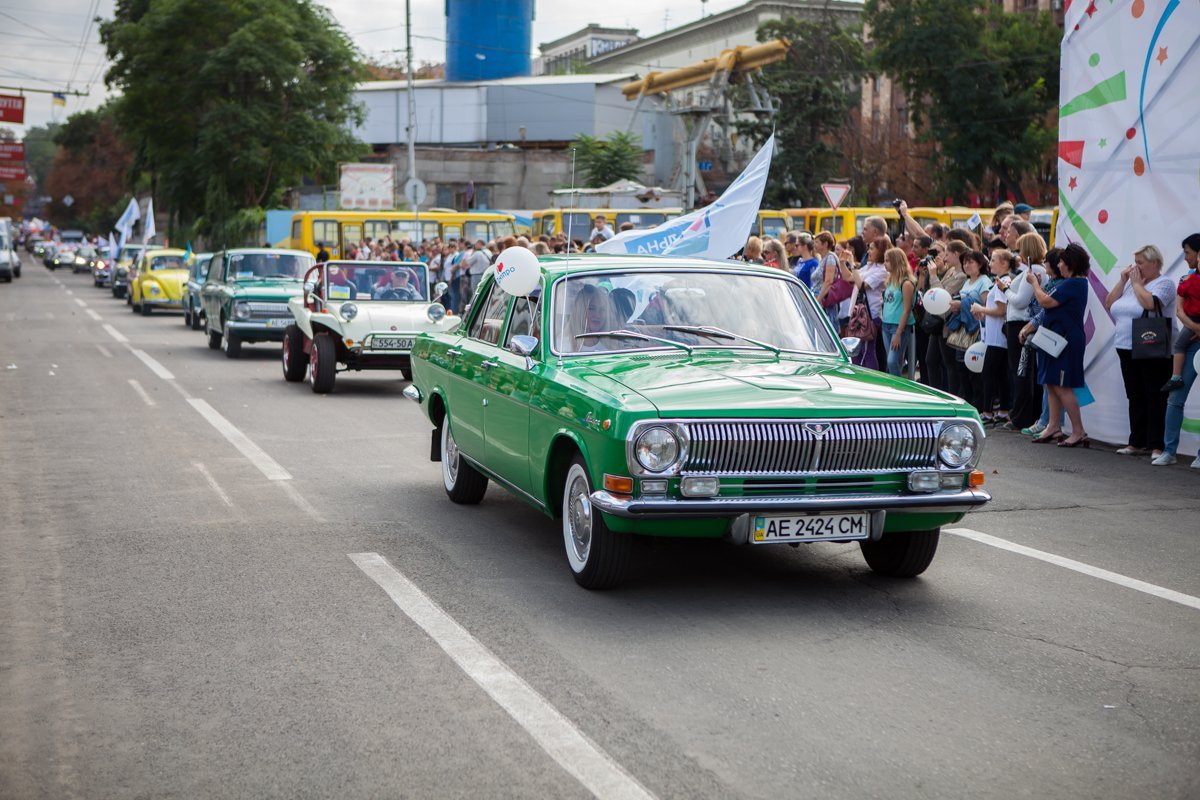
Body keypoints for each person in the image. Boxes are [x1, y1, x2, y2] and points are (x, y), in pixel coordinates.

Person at [1103, 244, 1176, 458]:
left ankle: (1156, 445)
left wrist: (1136, 284)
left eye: (1140, 263)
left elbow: (1150, 304)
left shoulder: (1165, 283)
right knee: (1135, 395)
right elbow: (1109, 303)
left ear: (1155, 263)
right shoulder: (1130, 284)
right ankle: (1136, 441)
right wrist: (1123, 281)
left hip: (1152, 347)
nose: (1135, 267)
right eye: (1134, 262)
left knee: (1155, 395)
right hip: (1125, 346)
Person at [1020, 242, 1091, 448]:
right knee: (1051, 383)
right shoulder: (1069, 283)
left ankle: (1078, 431)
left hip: (1065, 341)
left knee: (1062, 386)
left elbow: (1045, 302)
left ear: (1071, 264)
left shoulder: (1074, 284)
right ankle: (1053, 426)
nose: (1058, 265)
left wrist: (1034, 284)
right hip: (1054, 338)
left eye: (1061, 262)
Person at [1004, 232, 1049, 429]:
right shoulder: (1035, 270)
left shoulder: (1033, 270)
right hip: (1023, 323)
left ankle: (1021, 416)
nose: (1019, 253)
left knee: (1021, 370)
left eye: (1021, 249)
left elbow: (1021, 301)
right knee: (1025, 370)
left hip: (1021, 324)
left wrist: (1005, 289)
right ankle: (1027, 414)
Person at [972, 249, 1013, 424]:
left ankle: (988, 412)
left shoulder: (1003, 282)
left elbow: (1000, 310)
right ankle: (1003, 410)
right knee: (1001, 375)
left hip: (998, 338)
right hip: (996, 337)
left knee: (988, 374)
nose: (990, 263)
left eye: (994, 260)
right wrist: (984, 313)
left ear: (1004, 263)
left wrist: (980, 308)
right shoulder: (1000, 282)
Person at [1161, 233, 1200, 394]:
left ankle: (1175, 378)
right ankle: (1175, 378)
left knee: (1178, 346)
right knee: (1175, 400)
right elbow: (1179, 311)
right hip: (1192, 334)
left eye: (1188, 253)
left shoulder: (1189, 281)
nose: (1185, 258)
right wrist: (1197, 329)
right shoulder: (1188, 279)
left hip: (1192, 329)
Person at [880, 247, 916, 376]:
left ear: (896, 262)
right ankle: (894, 383)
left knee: (892, 361)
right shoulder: (890, 281)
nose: (885, 264)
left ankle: (897, 385)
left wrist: (898, 333)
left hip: (899, 326)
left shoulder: (906, 283)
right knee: (894, 361)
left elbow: (907, 309)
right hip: (886, 324)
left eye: (887, 261)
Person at [563, 284, 618, 352]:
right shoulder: (562, 348)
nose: (598, 315)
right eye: (591, 309)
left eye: (602, 309)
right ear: (579, 311)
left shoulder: (613, 345)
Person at [812, 231, 844, 333]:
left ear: (825, 244)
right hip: (820, 298)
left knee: (827, 330)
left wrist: (818, 300)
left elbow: (828, 281)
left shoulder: (830, 258)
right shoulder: (823, 258)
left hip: (825, 300)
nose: (814, 244)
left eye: (817, 242)